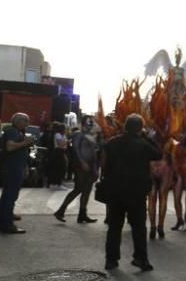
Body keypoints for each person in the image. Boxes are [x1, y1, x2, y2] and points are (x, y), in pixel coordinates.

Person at [101, 113, 162, 271]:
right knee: (139, 227)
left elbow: (103, 162)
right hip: (136, 192)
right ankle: (140, 258)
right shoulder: (143, 144)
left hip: (115, 191)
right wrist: (146, 137)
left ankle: (111, 260)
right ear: (140, 128)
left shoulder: (112, 142)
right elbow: (158, 153)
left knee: (114, 227)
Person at [0, 113, 36, 234]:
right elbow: (10, 147)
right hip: (12, 169)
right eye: (26, 121)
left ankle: (3, 221)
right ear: (18, 121)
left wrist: (25, 166)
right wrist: (26, 142)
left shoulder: (17, 132)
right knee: (10, 196)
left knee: (9, 196)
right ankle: (6, 224)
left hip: (15, 167)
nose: (27, 124)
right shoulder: (12, 132)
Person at [54, 116, 100, 223]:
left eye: (92, 122)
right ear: (83, 123)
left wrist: (95, 167)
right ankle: (61, 210)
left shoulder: (91, 136)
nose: (91, 124)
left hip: (91, 166)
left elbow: (94, 151)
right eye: (89, 122)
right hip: (81, 166)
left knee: (87, 191)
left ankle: (82, 214)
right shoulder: (78, 134)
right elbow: (75, 149)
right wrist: (82, 162)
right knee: (78, 189)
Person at [46, 121, 68, 188]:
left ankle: (59, 183)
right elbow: (60, 144)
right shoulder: (57, 135)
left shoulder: (63, 135)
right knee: (57, 167)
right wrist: (67, 142)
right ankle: (55, 183)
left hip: (62, 151)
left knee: (62, 167)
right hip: (58, 152)